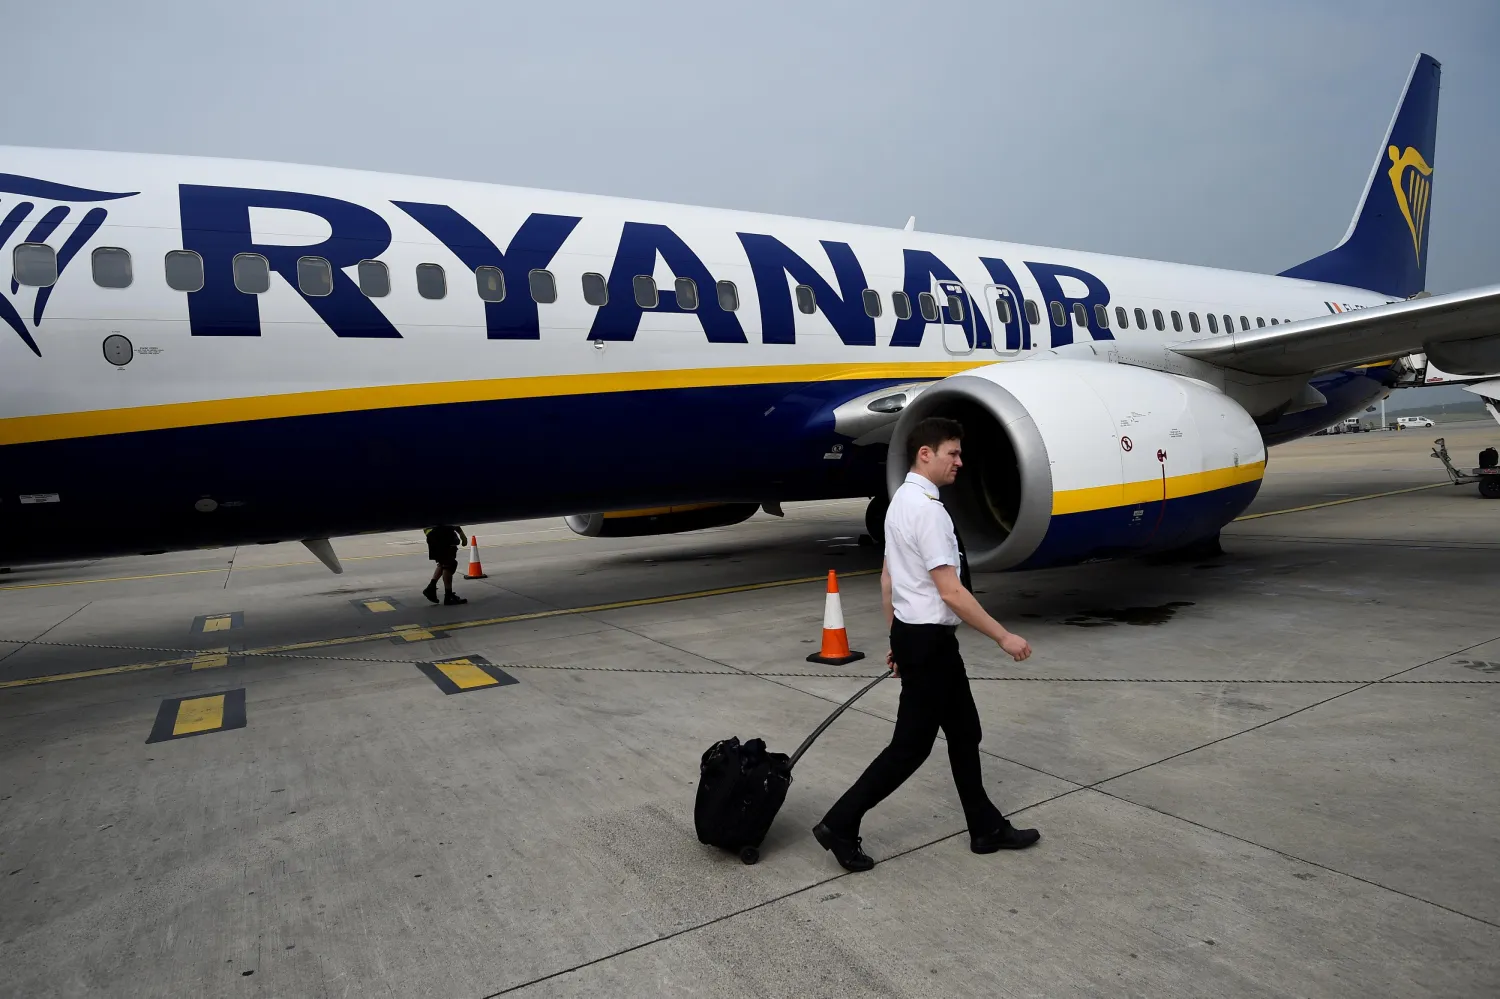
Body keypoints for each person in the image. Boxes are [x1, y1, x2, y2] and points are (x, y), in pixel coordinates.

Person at [813, 417, 1039, 872]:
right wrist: (1003, 636)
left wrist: (896, 636)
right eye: (952, 453)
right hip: (930, 643)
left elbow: (888, 580)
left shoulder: (899, 503)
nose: (960, 461)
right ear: (926, 454)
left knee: (964, 732)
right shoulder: (929, 512)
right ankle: (840, 822)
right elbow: (950, 591)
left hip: (918, 637)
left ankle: (984, 827)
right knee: (910, 747)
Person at [422, 525, 468, 606]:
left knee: (443, 562)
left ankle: (431, 588)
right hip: (444, 536)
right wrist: (462, 534)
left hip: (433, 535)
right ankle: (448, 595)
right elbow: (449, 520)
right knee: (449, 565)